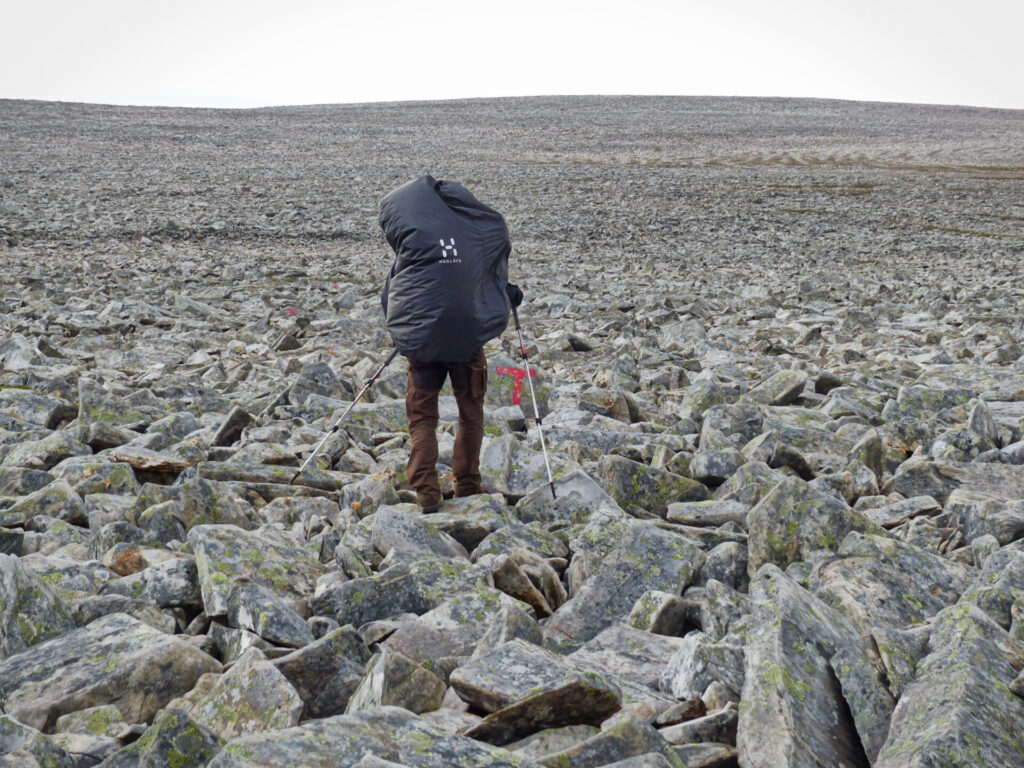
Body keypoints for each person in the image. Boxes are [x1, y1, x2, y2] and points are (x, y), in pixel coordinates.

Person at [378, 176, 522, 512]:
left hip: (423, 345)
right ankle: (468, 486)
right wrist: (508, 296)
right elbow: (489, 283)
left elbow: (392, 296)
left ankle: (426, 493)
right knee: (470, 413)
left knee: (422, 418)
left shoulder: (415, 247)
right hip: (467, 340)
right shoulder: (474, 241)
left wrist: (406, 335)